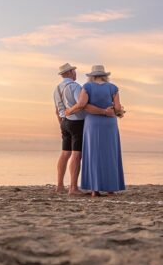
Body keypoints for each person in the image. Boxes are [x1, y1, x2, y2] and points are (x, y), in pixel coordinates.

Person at [66, 65, 125, 197]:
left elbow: (81, 104)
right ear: (105, 75)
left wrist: (69, 111)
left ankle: (95, 189)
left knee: (93, 154)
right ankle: (111, 189)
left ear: (91, 76)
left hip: (92, 123)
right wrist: (117, 112)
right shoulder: (113, 88)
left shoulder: (87, 87)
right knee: (110, 153)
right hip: (109, 123)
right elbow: (117, 107)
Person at [53, 63, 86, 195]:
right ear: (71, 72)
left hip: (64, 122)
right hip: (76, 121)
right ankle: (73, 187)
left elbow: (57, 110)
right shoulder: (75, 86)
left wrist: (62, 123)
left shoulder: (57, 89)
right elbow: (81, 104)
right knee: (76, 154)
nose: (75, 73)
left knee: (65, 153)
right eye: (74, 71)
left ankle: (60, 185)